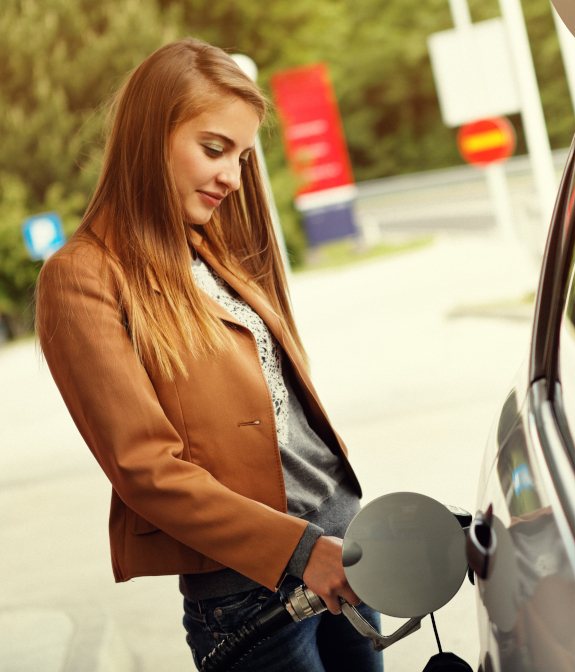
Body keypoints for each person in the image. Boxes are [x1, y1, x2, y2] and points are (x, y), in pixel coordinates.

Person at [35, 38, 380, 671]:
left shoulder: (215, 250)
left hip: (347, 553)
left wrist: (336, 542)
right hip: (251, 598)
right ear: (148, 138)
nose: (232, 175)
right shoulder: (81, 276)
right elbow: (146, 470)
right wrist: (303, 551)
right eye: (214, 148)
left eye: (244, 156)